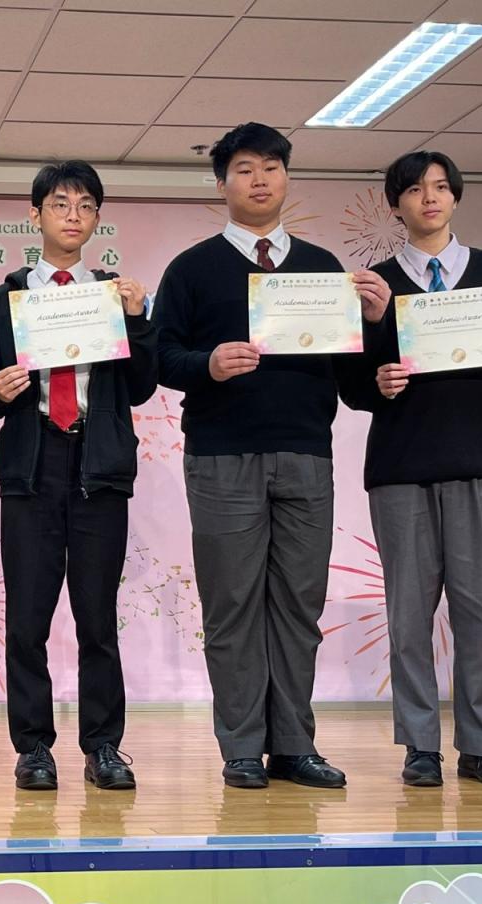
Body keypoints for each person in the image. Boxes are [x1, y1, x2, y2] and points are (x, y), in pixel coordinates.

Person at [154, 122, 391, 790]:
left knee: (298, 606)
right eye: (245, 169)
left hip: (307, 455)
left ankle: (293, 745)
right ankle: (240, 747)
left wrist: (376, 327)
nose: (259, 180)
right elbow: (161, 358)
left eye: (272, 167)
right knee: (231, 605)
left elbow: (353, 382)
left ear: (287, 178)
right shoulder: (191, 268)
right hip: (222, 457)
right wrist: (208, 364)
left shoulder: (323, 268)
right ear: (221, 184)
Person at [341, 150, 482, 787]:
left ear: (455, 196)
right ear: (395, 203)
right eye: (414, 189)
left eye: (439, 187)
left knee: (478, 609)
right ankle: (420, 745)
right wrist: (376, 372)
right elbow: (352, 385)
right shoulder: (376, 282)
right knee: (408, 613)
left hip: (480, 461)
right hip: (401, 466)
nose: (428, 198)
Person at [0, 160, 156, 791]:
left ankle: (104, 746)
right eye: (59, 204)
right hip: (32, 465)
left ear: (97, 218)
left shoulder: (112, 295)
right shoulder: (6, 300)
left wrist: (137, 319)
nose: (72, 216)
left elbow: (140, 387)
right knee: (27, 619)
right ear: (36, 215)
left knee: (96, 618)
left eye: (84, 206)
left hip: (98, 466)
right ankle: (33, 748)